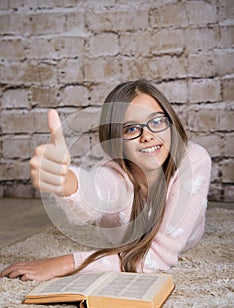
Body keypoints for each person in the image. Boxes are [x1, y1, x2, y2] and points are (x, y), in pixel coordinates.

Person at [0, 79, 211, 281]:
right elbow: (95, 192)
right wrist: (65, 181)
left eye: (156, 121)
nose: (147, 136)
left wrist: (69, 263)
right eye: (131, 129)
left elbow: (157, 258)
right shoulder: (112, 173)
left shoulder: (193, 160)